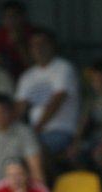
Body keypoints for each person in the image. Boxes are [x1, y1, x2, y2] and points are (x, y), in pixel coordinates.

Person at [14, 27, 79, 156]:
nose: (38, 48)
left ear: (52, 46)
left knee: (33, 149)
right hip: (35, 132)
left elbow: (56, 102)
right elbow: (19, 108)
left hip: (60, 130)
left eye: (42, 44)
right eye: (34, 45)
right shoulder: (27, 76)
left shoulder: (63, 68)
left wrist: (35, 130)